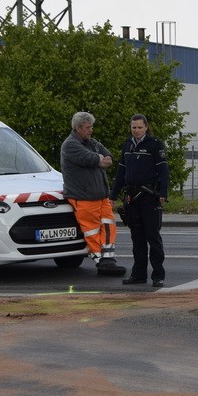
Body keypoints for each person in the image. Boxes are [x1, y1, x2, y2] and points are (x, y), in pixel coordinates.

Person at [60, 111, 126, 276]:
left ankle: (108, 260)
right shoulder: (70, 145)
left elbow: (108, 158)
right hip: (83, 198)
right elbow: (94, 160)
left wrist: (101, 159)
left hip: (100, 196)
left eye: (91, 127)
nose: (91, 130)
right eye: (88, 127)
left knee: (109, 226)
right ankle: (100, 261)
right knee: (91, 231)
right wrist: (99, 159)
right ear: (78, 128)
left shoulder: (92, 143)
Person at [111, 114, 170, 288]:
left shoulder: (154, 145)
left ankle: (158, 275)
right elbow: (121, 173)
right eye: (133, 127)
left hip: (149, 197)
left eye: (139, 127)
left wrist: (162, 193)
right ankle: (138, 275)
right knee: (137, 238)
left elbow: (164, 172)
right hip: (132, 197)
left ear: (146, 127)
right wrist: (113, 196)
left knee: (153, 237)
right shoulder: (128, 145)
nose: (136, 130)